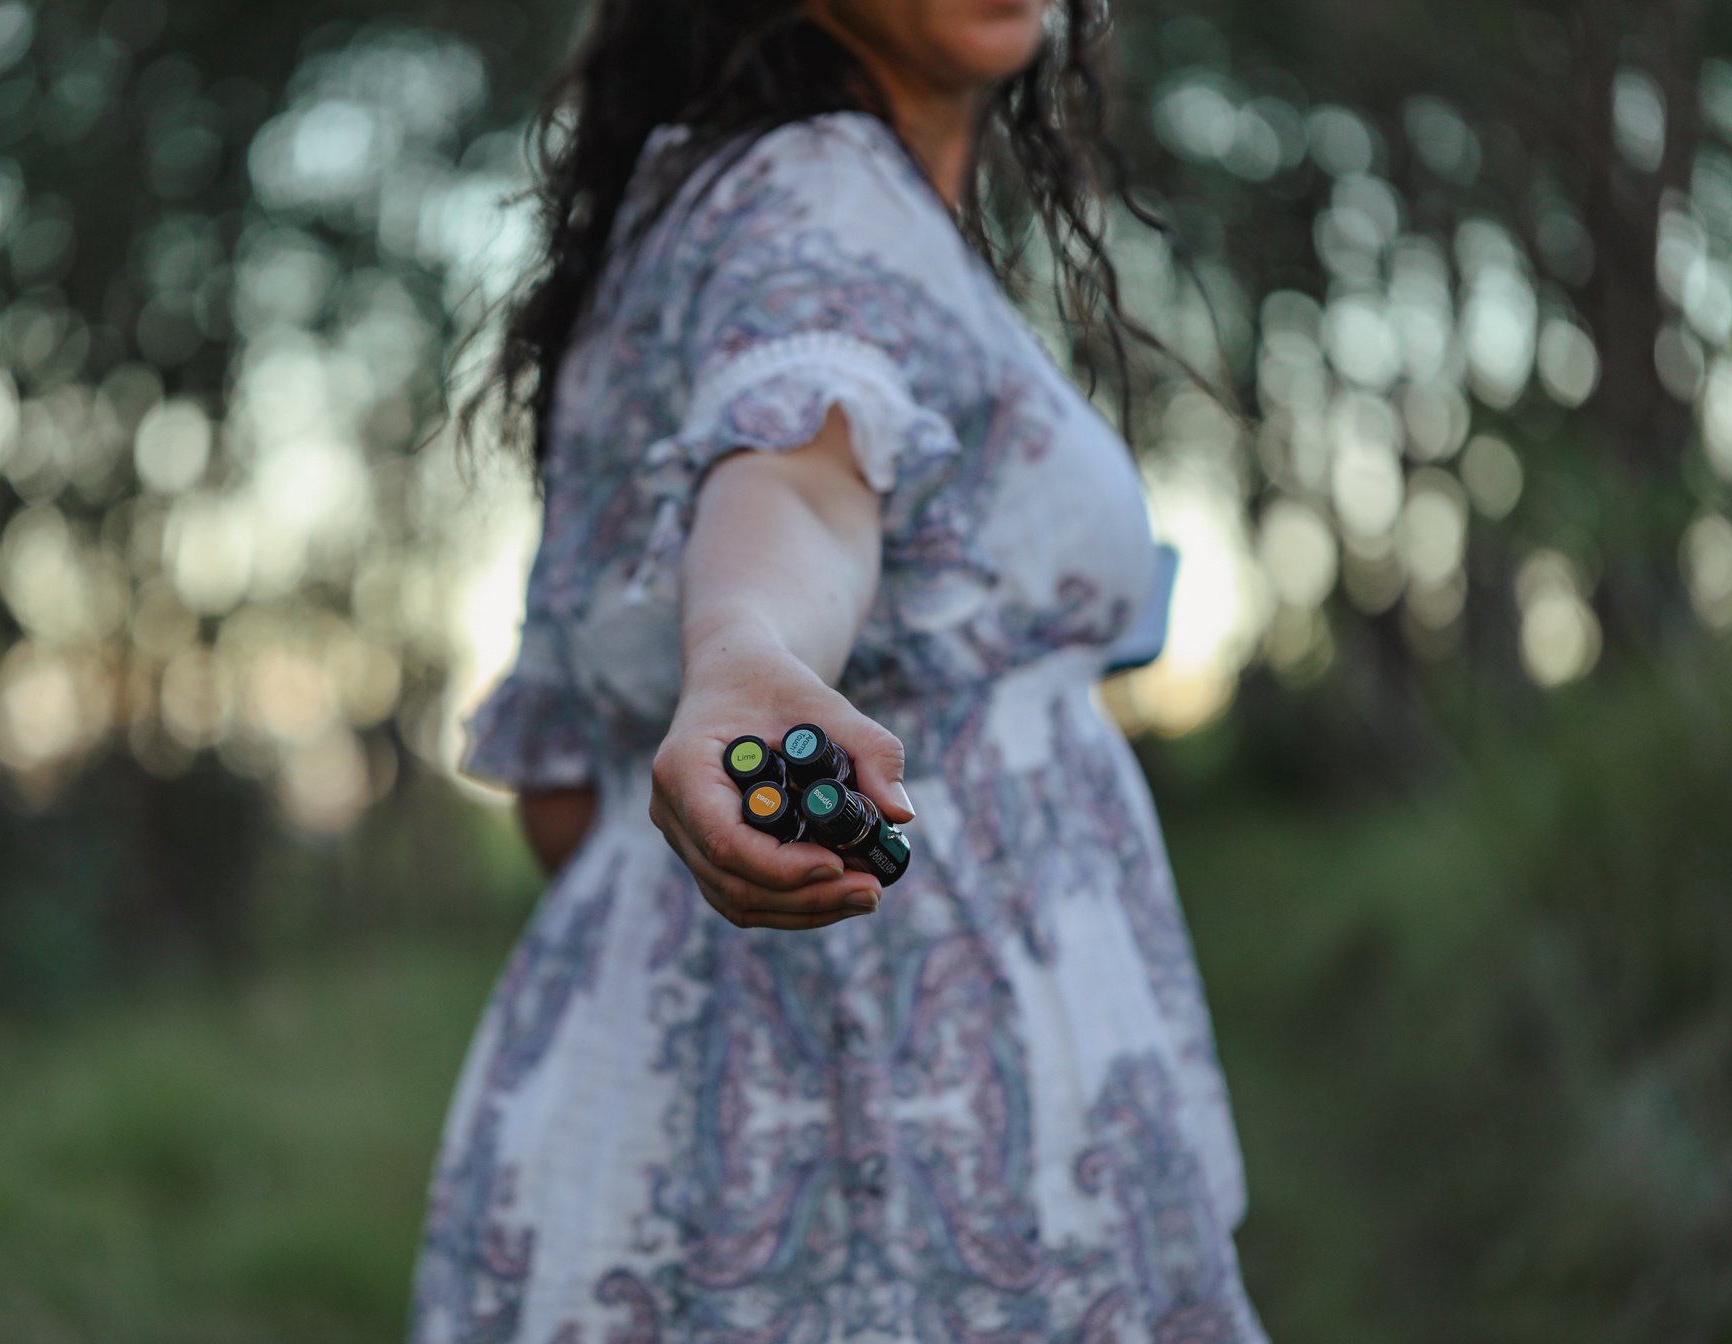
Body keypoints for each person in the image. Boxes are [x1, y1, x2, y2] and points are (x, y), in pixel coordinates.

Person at [410, 0, 1271, 1338]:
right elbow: (804, 476)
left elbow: (560, 807)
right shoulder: (815, 193)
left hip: (634, 1141)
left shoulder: (704, 201)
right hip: (902, 1154)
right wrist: (748, 653)